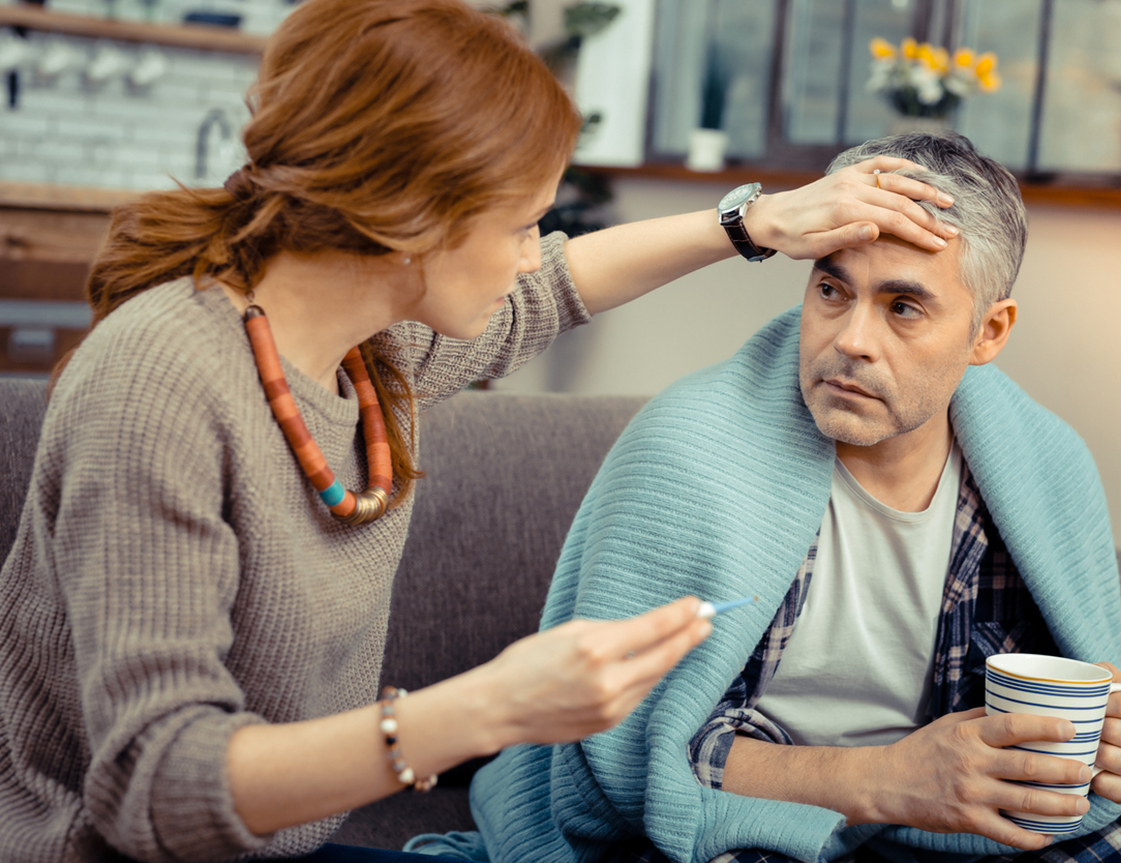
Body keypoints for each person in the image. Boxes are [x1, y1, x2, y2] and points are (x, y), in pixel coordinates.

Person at [0, 1, 963, 861]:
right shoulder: (161, 380)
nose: (526, 256)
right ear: (412, 219)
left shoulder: (371, 354)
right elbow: (156, 785)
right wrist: (484, 707)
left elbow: (553, 288)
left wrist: (756, 222)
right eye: (516, 226)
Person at [442, 132, 1121, 863]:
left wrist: (1120, 740)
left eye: (904, 306)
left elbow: (1078, 689)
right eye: (832, 289)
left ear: (988, 333)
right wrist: (886, 777)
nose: (852, 338)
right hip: (754, 820)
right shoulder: (687, 452)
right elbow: (633, 759)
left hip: (954, 830)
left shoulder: (1046, 465)